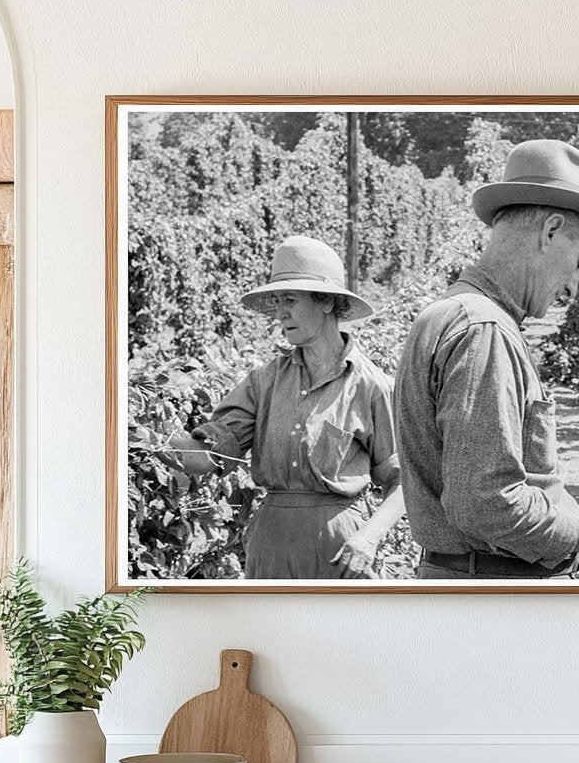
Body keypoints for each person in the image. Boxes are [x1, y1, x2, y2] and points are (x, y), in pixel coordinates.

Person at [394, 139, 579, 580]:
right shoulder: (484, 330)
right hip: (491, 592)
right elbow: (484, 502)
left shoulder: (452, 312)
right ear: (550, 230)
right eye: (578, 263)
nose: (573, 288)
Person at [166, 235, 405, 580]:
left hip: (339, 548)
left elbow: (403, 483)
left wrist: (368, 538)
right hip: (272, 543)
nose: (279, 313)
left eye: (289, 300)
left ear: (326, 303)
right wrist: (141, 436)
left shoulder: (371, 386)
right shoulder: (263, 382)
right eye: (277, 302)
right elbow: (205, 458)